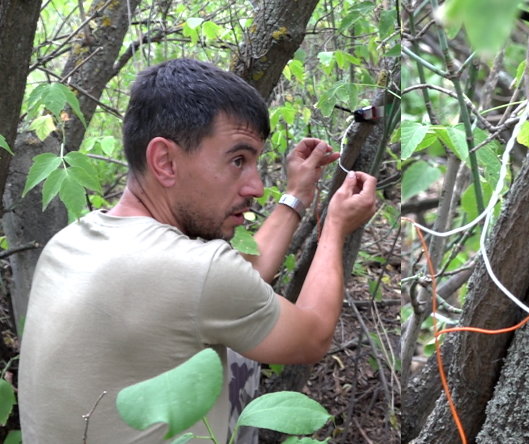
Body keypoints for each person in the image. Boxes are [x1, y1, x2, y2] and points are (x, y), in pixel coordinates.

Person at [18, 58, 377, 443]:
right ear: (165, 161)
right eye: (238, 160)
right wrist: (335, 227)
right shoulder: (197, 274)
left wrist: (297, 195)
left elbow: (237, 290)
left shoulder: (70, 241)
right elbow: (313, 336)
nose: (256, 186)